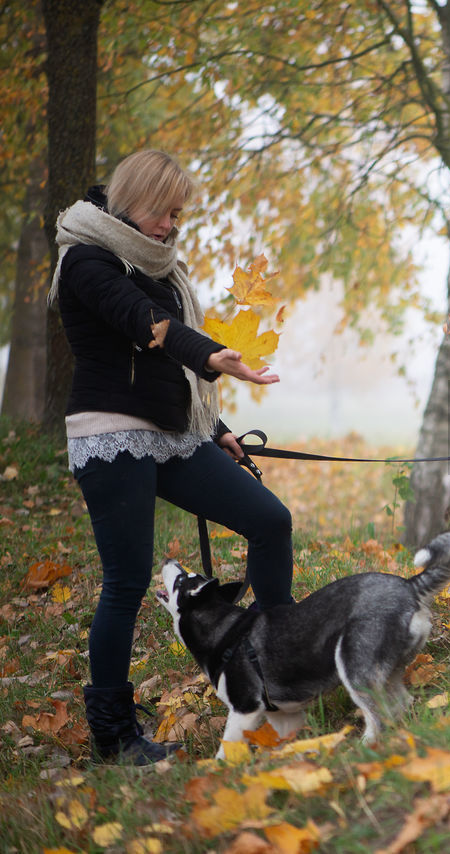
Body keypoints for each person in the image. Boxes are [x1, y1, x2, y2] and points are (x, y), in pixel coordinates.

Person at [49, 149, 294, 765]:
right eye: (164, 212)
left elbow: (166, 371)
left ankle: (273, 669)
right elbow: (148, 326)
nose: (170, 226)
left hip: (172, 431)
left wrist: (217, 430)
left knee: (271, 522)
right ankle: (114, 735)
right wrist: (213, 355)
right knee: (127, 583)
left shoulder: (156, 264)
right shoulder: (86, 258)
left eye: (178, 215)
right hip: (110, 434)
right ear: (133, 197)